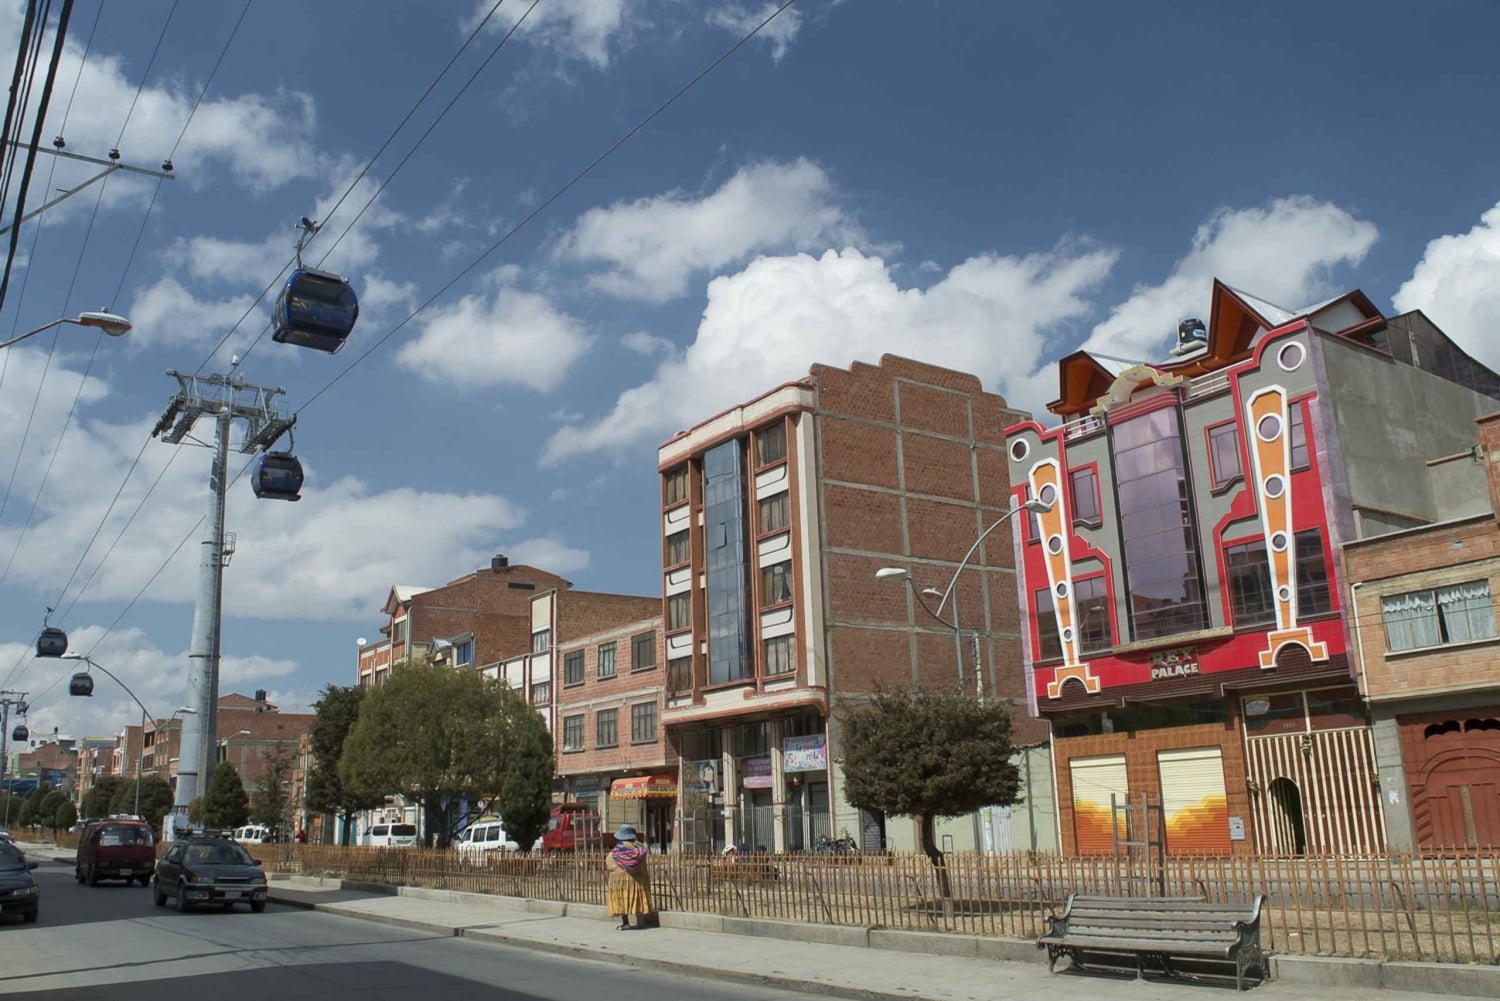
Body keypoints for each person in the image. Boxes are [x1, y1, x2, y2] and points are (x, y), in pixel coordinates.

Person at [606, 824, 652, 930]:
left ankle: (625, 922)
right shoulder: (640, 849)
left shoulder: (617, 850)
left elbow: (610, 862)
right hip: (637, 878)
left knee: (622, 898)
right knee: (638, 897)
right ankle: (640, 921)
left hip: (620, 880)